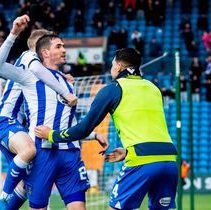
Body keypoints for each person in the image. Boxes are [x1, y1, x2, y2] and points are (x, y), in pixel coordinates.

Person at [35, 48, 178, 210]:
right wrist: (127, 152)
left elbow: (83, 128)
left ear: (118, 67)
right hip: (169, 161)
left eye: (111, 65)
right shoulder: (154, 88)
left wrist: (52, 135)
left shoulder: (113, 89)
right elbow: (150, 128)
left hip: (141, 162)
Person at [0, 15, 108, 209]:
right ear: (44, 52)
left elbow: (70, 126)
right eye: (59, 46)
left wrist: (94, 134)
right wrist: (13, 34)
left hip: (70, 153)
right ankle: (3, 199)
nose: (64, 50)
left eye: (63, 46)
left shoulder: (68, 83)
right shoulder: (29, 75)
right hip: (43, 153)